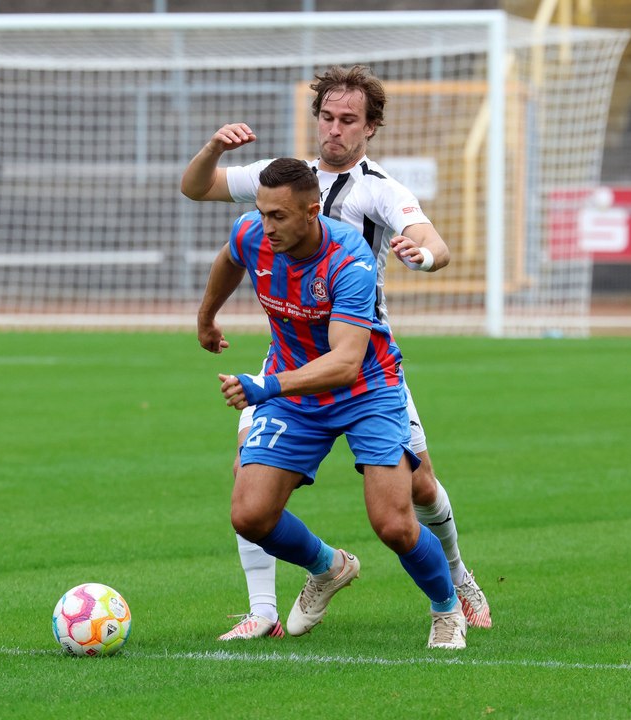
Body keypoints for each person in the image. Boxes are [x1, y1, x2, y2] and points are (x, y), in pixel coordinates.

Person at [183, 65, 490, 640]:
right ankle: (267, 610)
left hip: (364, 362)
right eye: (327, 116)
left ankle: (455, 580)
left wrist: (421, 257)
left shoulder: (379, 190)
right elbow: (202, 194)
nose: (334, 129)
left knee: (415, 493)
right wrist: (212, 148)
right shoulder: (284, 182)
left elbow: (434, 243)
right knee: (248, 488)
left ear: (370, 127)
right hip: (293, 362)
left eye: (348, 120)